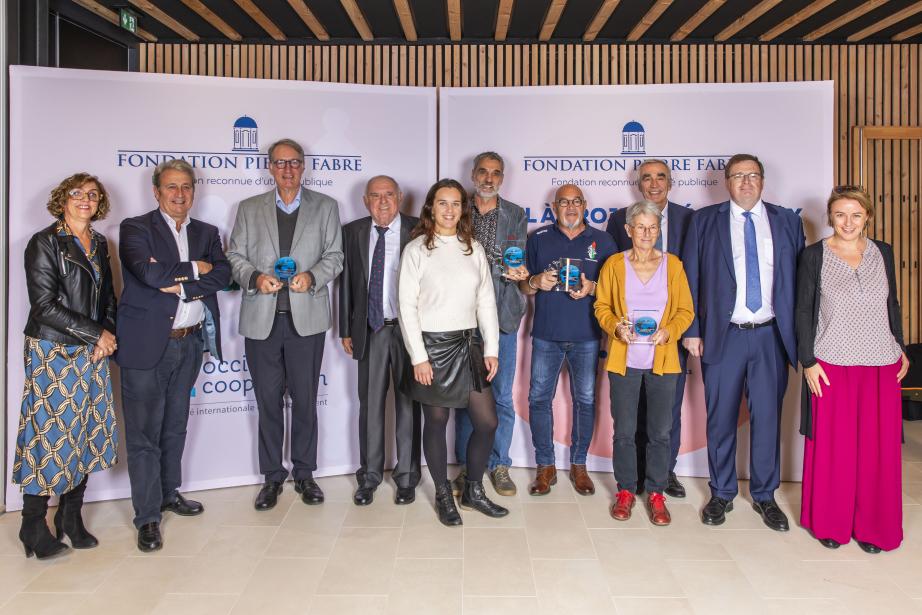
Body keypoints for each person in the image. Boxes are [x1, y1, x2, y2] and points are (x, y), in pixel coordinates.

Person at [681, 154, 804, 531]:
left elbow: (800, 283)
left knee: (767, 418)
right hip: (723, 335)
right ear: (727, 182)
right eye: (738, 176)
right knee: (720, 419)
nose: (746, 182)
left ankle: (765, 496)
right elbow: (690, 279)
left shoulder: (787, 221)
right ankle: (722, 493)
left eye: (753, 175)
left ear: (763, 181)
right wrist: (692, 330)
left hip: (771, 335)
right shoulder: (704, 221)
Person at [116, 159, 229, 552]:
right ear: (156, 191)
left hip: (191, 341)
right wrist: (196, 270)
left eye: (186, 187)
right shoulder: (135, 228)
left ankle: (168, 493)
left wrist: (177, 279)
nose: (180, 194)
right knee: (145, 435)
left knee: (175, 425)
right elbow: (148, 276)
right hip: (148, 343)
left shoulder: (207, 231)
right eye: (171, 187)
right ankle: (147, 517)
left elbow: (224, 275)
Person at [227, 138, 343, 511]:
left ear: (303, 166)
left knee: (306, 402)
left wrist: (313, 276)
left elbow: (335, 256)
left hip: (305, 320)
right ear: (270, 167)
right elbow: (234, 255)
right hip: (262, 320)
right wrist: (254, 277)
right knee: (268, 403)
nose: (287, 169)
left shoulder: (326, 207)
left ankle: (305, 474)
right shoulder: (248, 208)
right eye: (280, 163)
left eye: (294, 163)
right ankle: (272, 477)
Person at [796, 186, 909, 553]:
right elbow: (802, 311)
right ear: (831, 217)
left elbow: (891, 303)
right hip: (831, 363)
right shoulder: (814, 256)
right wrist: (808, 361)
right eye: (840, 214)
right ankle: (831, 523)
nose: (848, 222)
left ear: (867, 218)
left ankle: (874, 527)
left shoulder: (884, 253)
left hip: (881, 364)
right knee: (835, 449)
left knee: (878, 450)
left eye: (856, 215)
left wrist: (901, 348)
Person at [14, 173, 118, 559]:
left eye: (93, 195)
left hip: (92, 351)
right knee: (49, 434)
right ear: (62, 199)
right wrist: (95, 334)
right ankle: (32, 523)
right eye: (77, 193)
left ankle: (70, 519)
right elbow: (43, 305)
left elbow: (108, 296)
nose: (85, 200)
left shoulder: (100, 242)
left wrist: (105, 335)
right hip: (53, 350)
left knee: (86, 430)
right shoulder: (45, 242)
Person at [398, 178, 507, 526]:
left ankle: (473, 490)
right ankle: (444, 494)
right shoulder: (416, 249)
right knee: (437, 421)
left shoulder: (472, 248)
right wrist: (418, 357)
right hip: (431, 346)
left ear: (464, 208)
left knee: (488, 422)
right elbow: (406, 306)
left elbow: (486, 302)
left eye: (456, 203)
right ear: (431, 206)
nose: (449, 210)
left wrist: (491, 348)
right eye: (442, 203)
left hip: (468, 343)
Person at [595, 201, 694, 526]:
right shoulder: (613, 264)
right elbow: (602, 307)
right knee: (623, 432)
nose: (647, 233)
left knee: (660, 432)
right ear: (628, 230)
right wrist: (615, 327)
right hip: (624, 362)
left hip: (662, 362)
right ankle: (625, 490)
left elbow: (685, 311)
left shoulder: (674, 265)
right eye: (641, 227)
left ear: (659, 230)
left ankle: (655, 492)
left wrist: (670, 331)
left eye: (653, 227)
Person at [518, 184, 617, 496]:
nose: (571, 207)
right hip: (547, 334)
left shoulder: (603, 240)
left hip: (587, 335)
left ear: (585, 205)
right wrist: (535, 281)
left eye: (576, 202)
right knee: (538, 400)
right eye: (564, 202)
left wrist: (593, 288)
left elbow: (616, 289)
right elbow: (524, 287)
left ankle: (579, 465)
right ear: (554, 206)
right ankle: (545, 466)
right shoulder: (539, 239)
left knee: (585, 401)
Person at [339, 175, 421, 506]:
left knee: (407, 404)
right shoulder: (353, 231)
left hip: (408, 332)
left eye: (389, 195)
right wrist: (346, 328)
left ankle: (407, 477)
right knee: (370, 405)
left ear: (400, 197)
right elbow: (346, 284)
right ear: (365, 200)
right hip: (370, 330)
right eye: (376, 196)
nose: (383, 201)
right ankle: (370, 476)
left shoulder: (417, 229)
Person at [452, 152, 529, 497]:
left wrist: (520, 273)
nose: (488, 178)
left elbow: (518, 260)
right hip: (461, 318)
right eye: (482, 172)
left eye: (495, 174)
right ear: (472, 174)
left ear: (502, 179)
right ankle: (469, 466)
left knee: (500, 396)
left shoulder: (515, 214)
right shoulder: (456, 209)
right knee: (467, 395)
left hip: (502, 316)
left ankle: (499, 464)